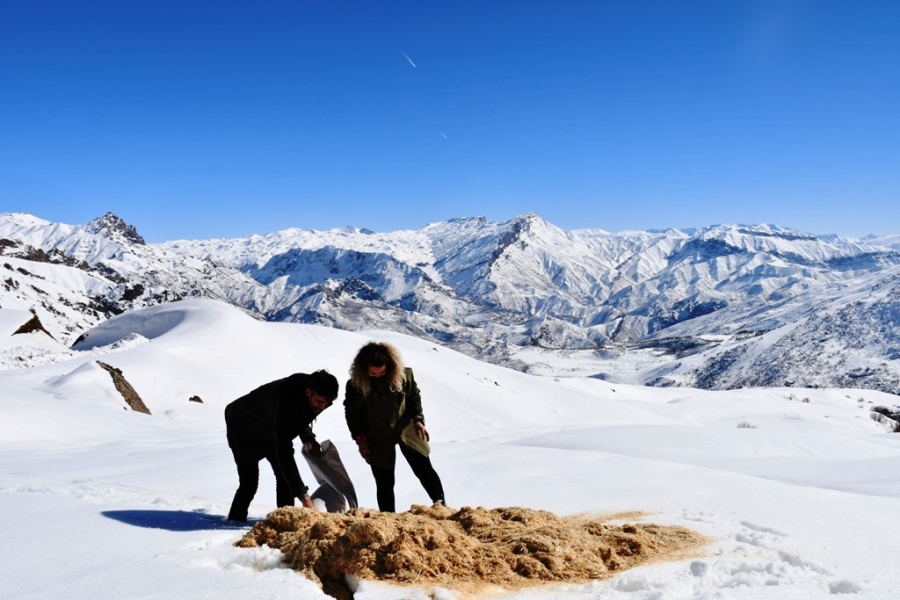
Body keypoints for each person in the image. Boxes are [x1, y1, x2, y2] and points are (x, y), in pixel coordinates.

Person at [224, 369, 339, 522]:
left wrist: (309, 439)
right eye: (319, 402)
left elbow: (300, 418)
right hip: (243, 427)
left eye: (327, 404)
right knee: (249, 483)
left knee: (284, 479)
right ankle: (234, 521)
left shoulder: (312, 396)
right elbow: (284, 451)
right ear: (308, 392)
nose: (322, 407)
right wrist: (304, 497)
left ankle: (285, 521)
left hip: (271, 426)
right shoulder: (287, 402)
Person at [344, 342, 445, 512]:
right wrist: (360, 439)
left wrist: (419, 420)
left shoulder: (404, 375)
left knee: (424, 470)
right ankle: (388, 518)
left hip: (407, 429)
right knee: (384, 482)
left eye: (382, 373)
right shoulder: (355, 385)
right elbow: (352, 414)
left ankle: (442, 506)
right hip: (377, 435)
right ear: (363, 370)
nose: (377, 377)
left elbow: (414, 397)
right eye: (372, 374)